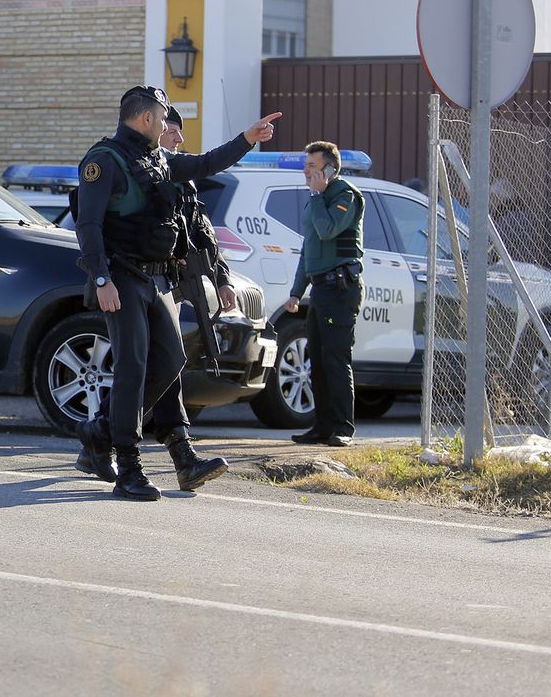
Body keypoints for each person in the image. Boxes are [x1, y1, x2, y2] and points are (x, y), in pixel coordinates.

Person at [73, 87, 280, 501]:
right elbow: (89, 225)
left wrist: (247, 139)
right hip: (123, 278)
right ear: (146, 119)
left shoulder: (158, 159)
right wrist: (101, 279)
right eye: (164, 117)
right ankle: (128, 468)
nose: (169, 125)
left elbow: (205, 164)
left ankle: (100, 431)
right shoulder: (104, 160)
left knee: (171, 360)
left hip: (159, 279)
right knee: (132, 365)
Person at [283, 140, 364, 447]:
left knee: (336, 358)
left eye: (312, 166)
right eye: (306, 166)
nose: (306, 171)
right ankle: (322, 426)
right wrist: (296, 292)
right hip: (320, 289)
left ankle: (343, 428)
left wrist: (318, 195)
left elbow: (328, 229)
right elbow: (310, 250)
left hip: (340, 289)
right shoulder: (316, 200)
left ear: (330, 169)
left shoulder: (344, 196)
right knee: (316, 358)